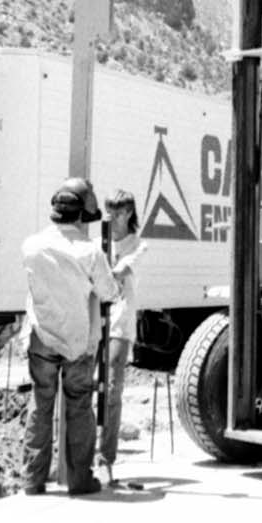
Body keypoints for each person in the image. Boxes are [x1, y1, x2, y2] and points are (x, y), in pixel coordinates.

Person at [20, 176, 117, 497]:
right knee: (79, 408)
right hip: (77, 341)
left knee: (40, 406)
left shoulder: (31, 246)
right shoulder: (89, 252)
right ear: (81, 213)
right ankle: (79, 480)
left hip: (41, 337)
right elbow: (108, 293)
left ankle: (32, 480)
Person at [99, 187, 145, 485]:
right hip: (95, 321)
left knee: (113, 388)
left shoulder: (138, 245)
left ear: (128, 213)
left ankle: (106, 458)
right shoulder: (98, 242)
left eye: (117, 212)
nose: (111, 218)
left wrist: (108, 270)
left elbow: (122, 270)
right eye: (109, 212)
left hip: (119, 321)